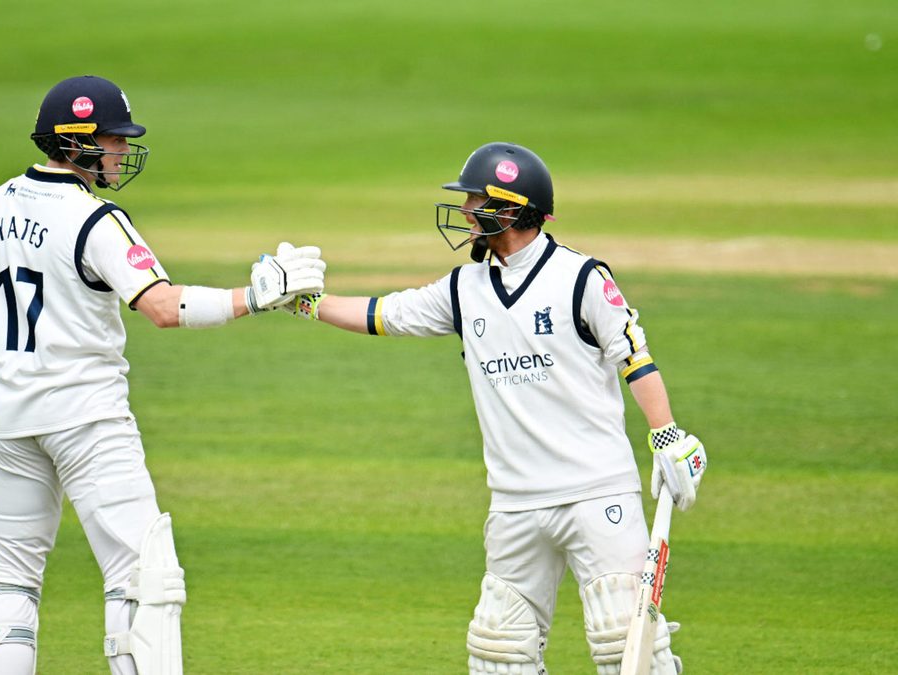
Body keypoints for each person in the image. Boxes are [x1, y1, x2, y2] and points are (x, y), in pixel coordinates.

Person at [0, 74, 325, 675]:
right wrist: (256, 296)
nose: (122, 151)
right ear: (78, 143)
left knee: (11, 585)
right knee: (142, 578)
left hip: (10, 425)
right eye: (114, 140)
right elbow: (163, 307)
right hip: (89, 422)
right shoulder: (95, 220)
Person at [286, 142, 707, 674]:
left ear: (510, 209)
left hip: (597, 493)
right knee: (498, 652)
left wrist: (666, 436)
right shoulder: (465, 289)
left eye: (475, 200)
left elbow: (636, 359)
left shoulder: (582, 278)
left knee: (623, 642)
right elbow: (382, 314)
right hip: (514, 503)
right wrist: (302, 303)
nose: (464, 212)